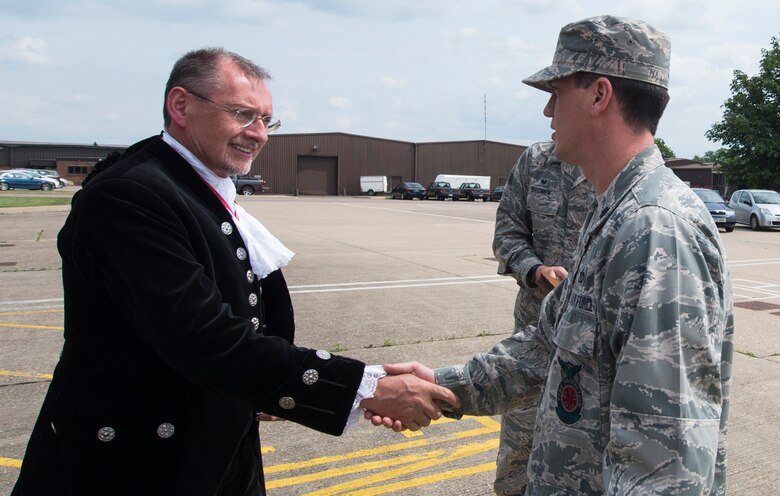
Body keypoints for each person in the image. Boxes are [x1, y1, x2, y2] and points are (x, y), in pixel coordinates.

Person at [11, 47, 458, 496]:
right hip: (136, 463)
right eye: (244, 115)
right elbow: (202, 336)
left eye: (267, 120)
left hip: (213, 438)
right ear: (181, 106)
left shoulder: (196, 185)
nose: (259, 134)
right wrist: (362, 388)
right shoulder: (129, 196)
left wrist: (264, 386)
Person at [378, 15, 734, 494]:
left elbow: (665, 459)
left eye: (557, 92)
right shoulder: (615, 211)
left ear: (599, 95)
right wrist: (442, 386)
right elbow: (543, 349)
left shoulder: (654, 229)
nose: (548, 111)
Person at [491, 141, 593, 495]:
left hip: (591, 335)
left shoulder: (615, 165)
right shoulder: (536, 161)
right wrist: (534, 270)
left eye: (558, 96)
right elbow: (507, 232)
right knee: (520, 435)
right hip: (535, 325)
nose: (549, 110)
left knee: (582, 441)